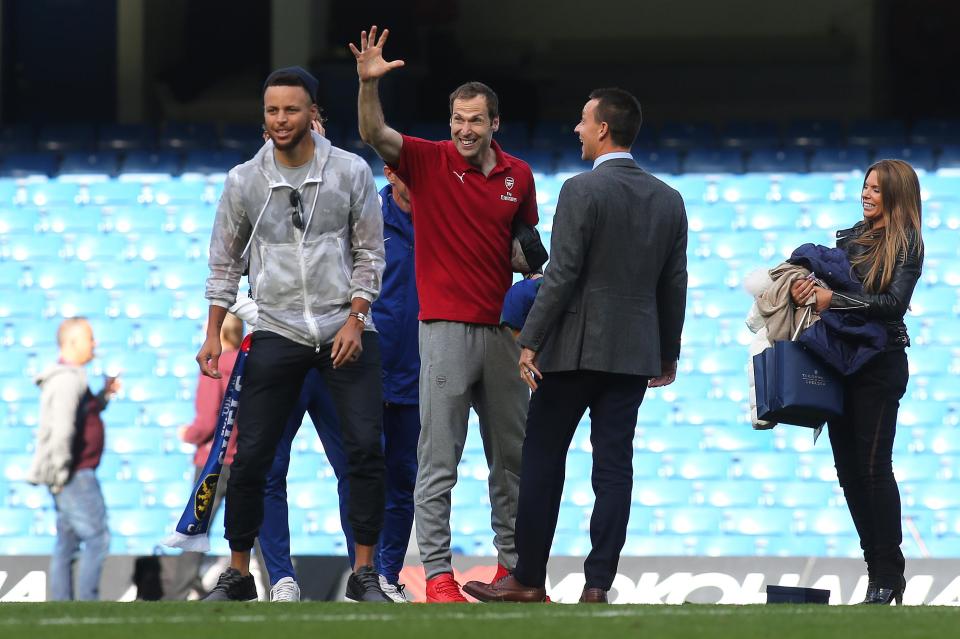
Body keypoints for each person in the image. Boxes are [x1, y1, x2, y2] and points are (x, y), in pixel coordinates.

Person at [464, 88, 688, 604]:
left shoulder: (580, 190)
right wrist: (667, 352)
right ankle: (597, 585)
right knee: (614, 468)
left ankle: (526, 578)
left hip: (574, 350)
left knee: (542, 457)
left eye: (583, 121)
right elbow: (673, 283)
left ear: (604, 129)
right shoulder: (668, 199)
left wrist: (531, 340)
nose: (576, 128)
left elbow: (561, 276)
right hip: (634, 353)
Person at [352, 26, 538, 602]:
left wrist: (525, 267)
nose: (464, 129)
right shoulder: (428, 161)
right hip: (445, 330)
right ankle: (436, 576)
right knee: (439, 462)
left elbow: (523, 251)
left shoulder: (520, 177)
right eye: (457, 119)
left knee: (513, 461)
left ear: (494, 125)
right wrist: (367, 84)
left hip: (504, 335)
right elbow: (373, 133)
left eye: (475, 120)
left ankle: (515, 572)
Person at [199, 65, 390, 602]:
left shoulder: (351, 172)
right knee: (253, 456)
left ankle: (366, 574)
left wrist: (356, 317)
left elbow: (371, 255)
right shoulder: (244, 181)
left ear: (312, 113)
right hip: (277, 329)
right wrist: (214, 333)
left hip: (343, 329)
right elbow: (223, 264)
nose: (281, 119)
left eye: (291, 109)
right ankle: (239, 574)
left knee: (362, 452)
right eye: (272, 110)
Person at [789, 159, 923, 605]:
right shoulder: (847, 238)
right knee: (848, 474)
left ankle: (890, 575)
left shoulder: (907, 243)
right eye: (865, 187)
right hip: (840, 359)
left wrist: (833, 299)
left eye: (876, 190)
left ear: (896, 196)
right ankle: (876, 575)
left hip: (880, 363)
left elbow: (891, 305)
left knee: (872, 469)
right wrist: (806, 289)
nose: (866, 195)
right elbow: (827, 286)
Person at [27, 317, 121, 600]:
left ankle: (62, 605)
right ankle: (88, 603)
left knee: (67, 543)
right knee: (97, 539)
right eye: (90, 338)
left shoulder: (73, 378)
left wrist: (104, 395)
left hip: (71, 472)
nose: (95, 344)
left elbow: (84, 417)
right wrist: (60, 473)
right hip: (74, 474)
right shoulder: (68, 380)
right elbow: (62, 429)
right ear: (72, 343)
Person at [369, 164, 421, 602]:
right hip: (365, 367)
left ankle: (386, 574)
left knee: (404, 478)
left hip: (421, 370)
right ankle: (363, 572)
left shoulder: (439, 215)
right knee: (364, 475)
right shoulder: (365, 213)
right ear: (388, 171)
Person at [172, 312, 247, 599]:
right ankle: (277, 585)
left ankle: (179, 593)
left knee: (195, 527)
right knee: (257, 529)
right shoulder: (249, 366)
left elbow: (206, 423)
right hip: (243, 460)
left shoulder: (211, 366)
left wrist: (187, 434)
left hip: (212, 462)